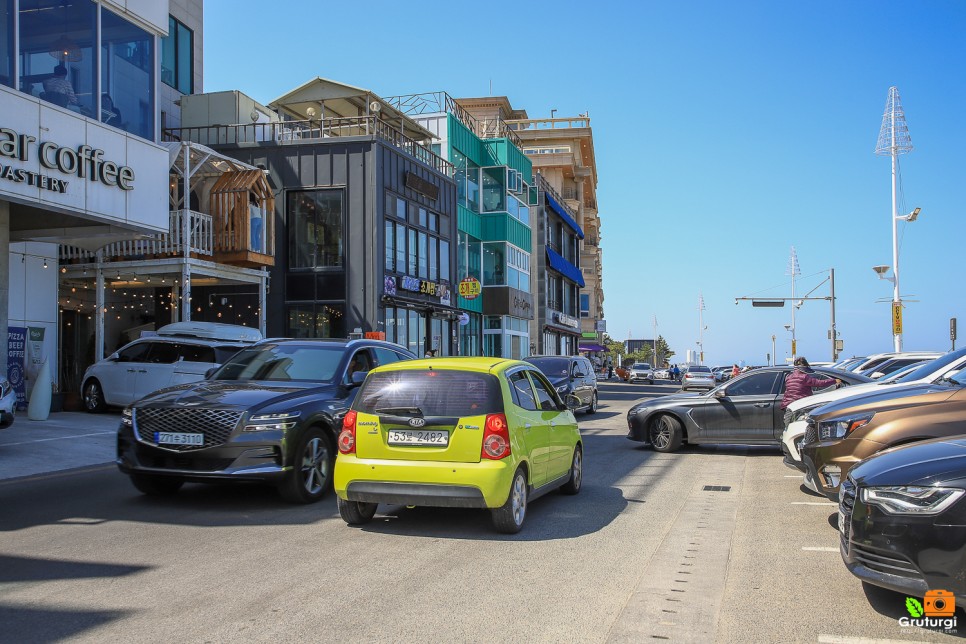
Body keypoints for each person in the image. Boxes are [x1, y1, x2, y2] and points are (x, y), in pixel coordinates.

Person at [780, 357, 841, 427]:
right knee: (801, 426)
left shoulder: (788, 377)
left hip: (788, 405)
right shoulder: (804, 377)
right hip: (800, 405)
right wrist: (834, 381)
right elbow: (819, 383)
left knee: (789, 426)